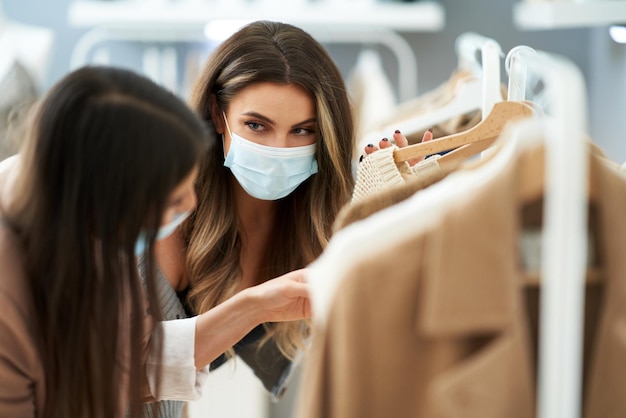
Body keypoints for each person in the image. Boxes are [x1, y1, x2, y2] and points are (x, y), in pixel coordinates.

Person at [0, 65, 311, 418]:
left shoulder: (99, 233)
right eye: (173, 198)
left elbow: (130, 365)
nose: (191, 207)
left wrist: (258, 306)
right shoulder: (10, 285)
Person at [148, 20, 355, 416]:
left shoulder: (319, 215)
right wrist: (254, 307)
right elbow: (122, 370)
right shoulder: (165, 209)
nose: (278, 148)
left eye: (302, 131)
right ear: (217, 112)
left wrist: (398, 197)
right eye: (256, 125)